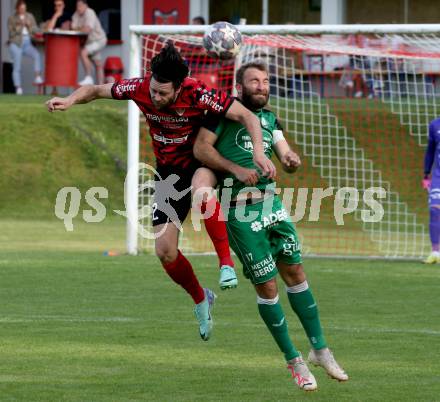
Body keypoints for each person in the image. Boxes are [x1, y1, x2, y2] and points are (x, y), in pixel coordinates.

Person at [45, 43, 276, 341]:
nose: (156, 96)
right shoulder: (141, 87)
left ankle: (226, 265)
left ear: (179, 88)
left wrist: (258, 151)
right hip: (168, 174)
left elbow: (248, 117)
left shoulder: (199, 93)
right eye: (154, 90)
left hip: (201, 162)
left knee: (203, 191)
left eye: (163, 93)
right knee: (164, 252)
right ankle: (201, 299)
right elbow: (95, 89)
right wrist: (70, 100)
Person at [193, 61, 348, 391]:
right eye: (254, 81)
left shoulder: (270, 119)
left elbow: (285, 155)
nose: (262, 86)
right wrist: (234, 168)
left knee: (296, 274)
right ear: (239, 87)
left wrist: (291, 160)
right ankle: (294, 360)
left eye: (265, 81)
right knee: (268, 288)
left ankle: (320, 349)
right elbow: (201, 149)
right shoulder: (220, 115)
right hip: (241, 214)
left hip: (273, 206)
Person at [7, 0, 43, 95]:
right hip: (15, 43)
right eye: (21, 8)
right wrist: (20, 25)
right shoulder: (12, 18)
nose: (23, 10)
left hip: (27, 42)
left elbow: (35, 29)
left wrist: (30, 25)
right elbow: (11, 34)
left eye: (24, 8)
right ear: (17, 8)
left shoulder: (29, 16)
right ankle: (18, 88)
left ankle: (37, 76)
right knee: (17, 66)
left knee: (36, 54)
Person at [71, 0, 107, 85]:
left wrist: (79, 29)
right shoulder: (76, 15)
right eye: (77, 6)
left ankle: (89, 77)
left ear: (85, 5)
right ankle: (102, 85)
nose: (78, 8)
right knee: (98, 64)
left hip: (99, 40)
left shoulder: (90, 12)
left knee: (83, 53)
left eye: (80, 5)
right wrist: (81, 28)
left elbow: (87, 29)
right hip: (89, 42)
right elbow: (73, 28)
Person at [423, 117, 440, 263]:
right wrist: (426, 173)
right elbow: (430, 150)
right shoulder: (435, 125)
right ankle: (436, 252)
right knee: (435, 210)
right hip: (438, 176)